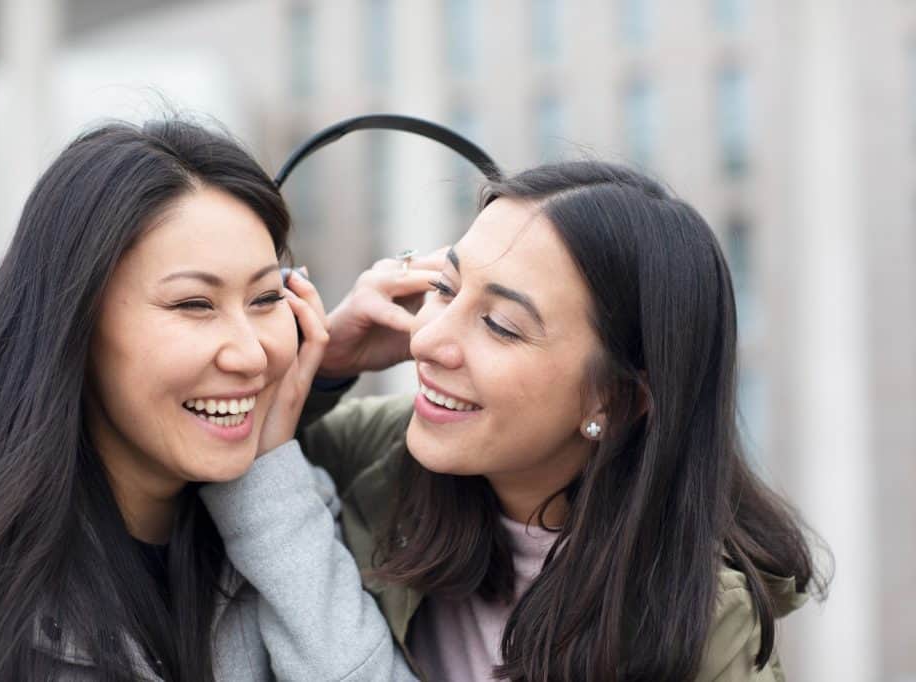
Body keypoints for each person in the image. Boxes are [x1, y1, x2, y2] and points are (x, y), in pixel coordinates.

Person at [0, 119, 415, 681]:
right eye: (194, 304)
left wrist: (274, 489)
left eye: (266, 298)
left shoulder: (296, 515)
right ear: (75, 326)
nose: (251, 355)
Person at [298, 161, 828, 682]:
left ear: (615, 399)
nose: (425, 340)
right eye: (446, 288)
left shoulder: (704, 628)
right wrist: (327, 364)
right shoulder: (387, 459)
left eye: (501, 326)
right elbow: (240, 467)